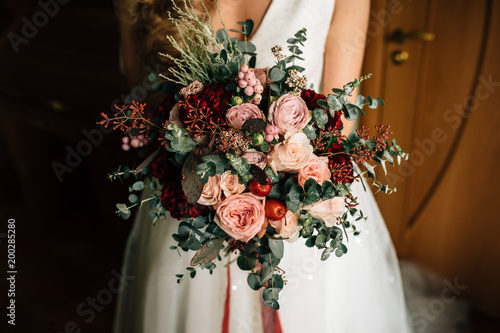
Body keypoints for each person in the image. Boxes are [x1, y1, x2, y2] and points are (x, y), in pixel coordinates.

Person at [113, 1, 413, 332]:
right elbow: (145, 101)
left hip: (299, 197)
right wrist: (219, 173)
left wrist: (277, 191)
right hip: (189, 193)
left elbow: (338, 123)